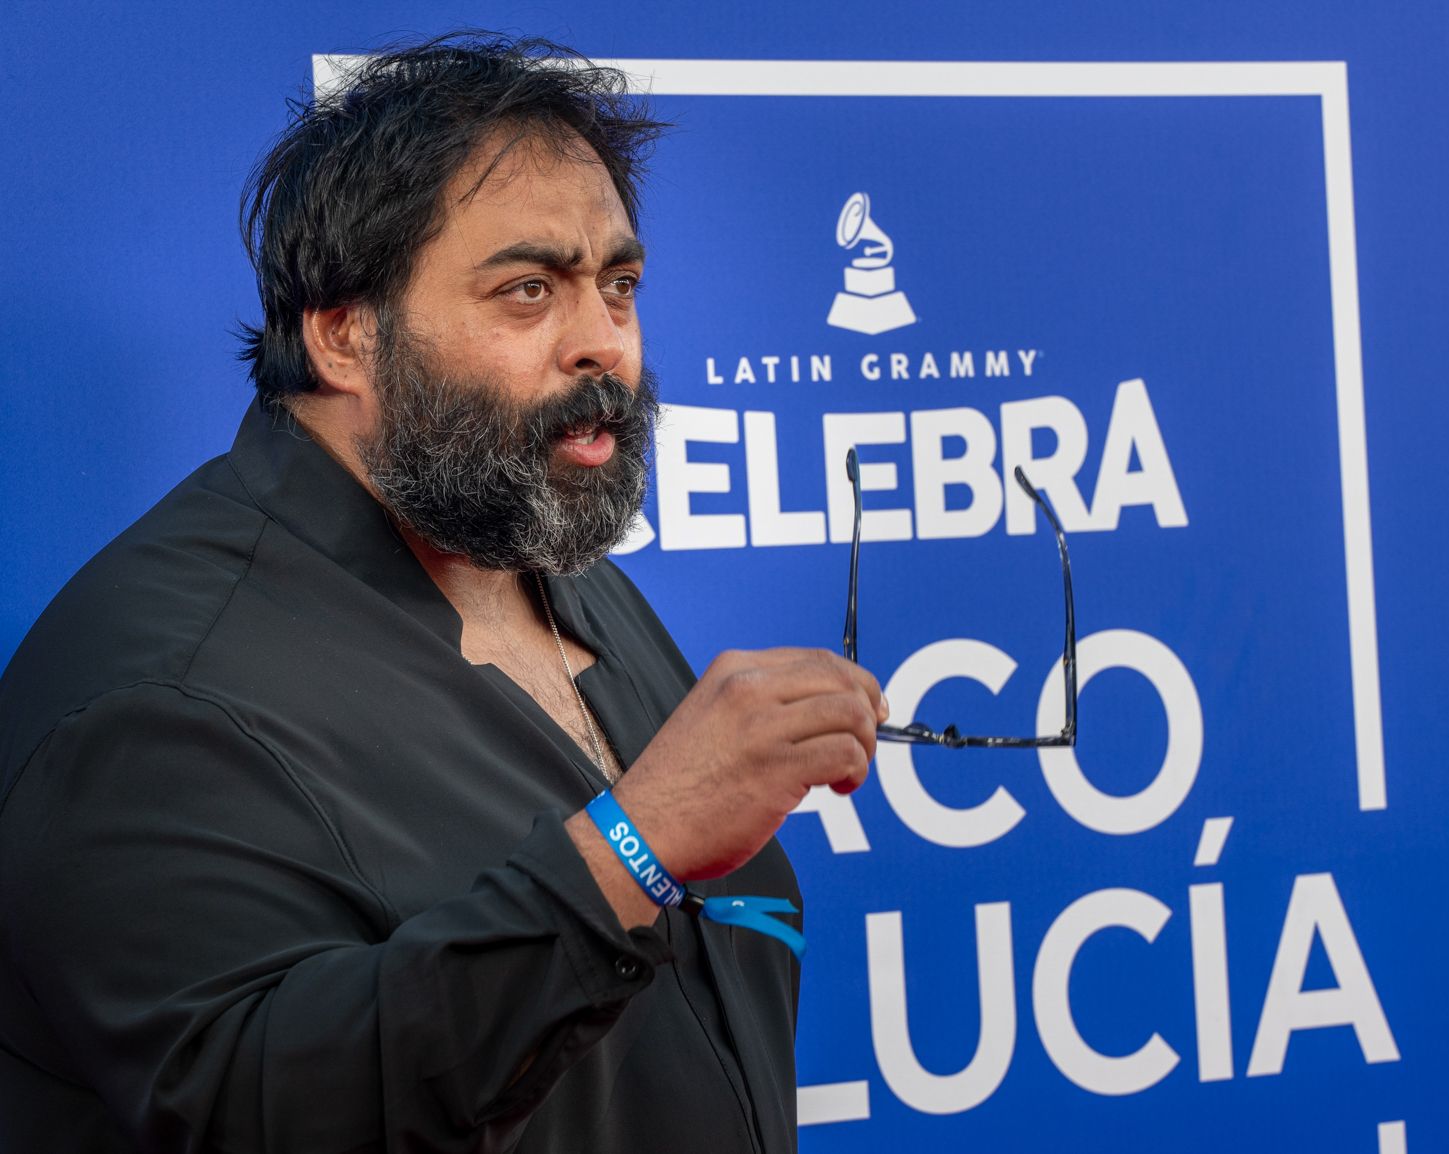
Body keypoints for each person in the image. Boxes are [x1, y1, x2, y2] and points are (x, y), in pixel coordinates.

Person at [0, 34, 883, 1153]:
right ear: (344, 333)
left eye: (619, 285)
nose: (602, 343)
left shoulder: (550, 566)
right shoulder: (153, 692)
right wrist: (637, 841)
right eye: (528, 290)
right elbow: (260, 1108)